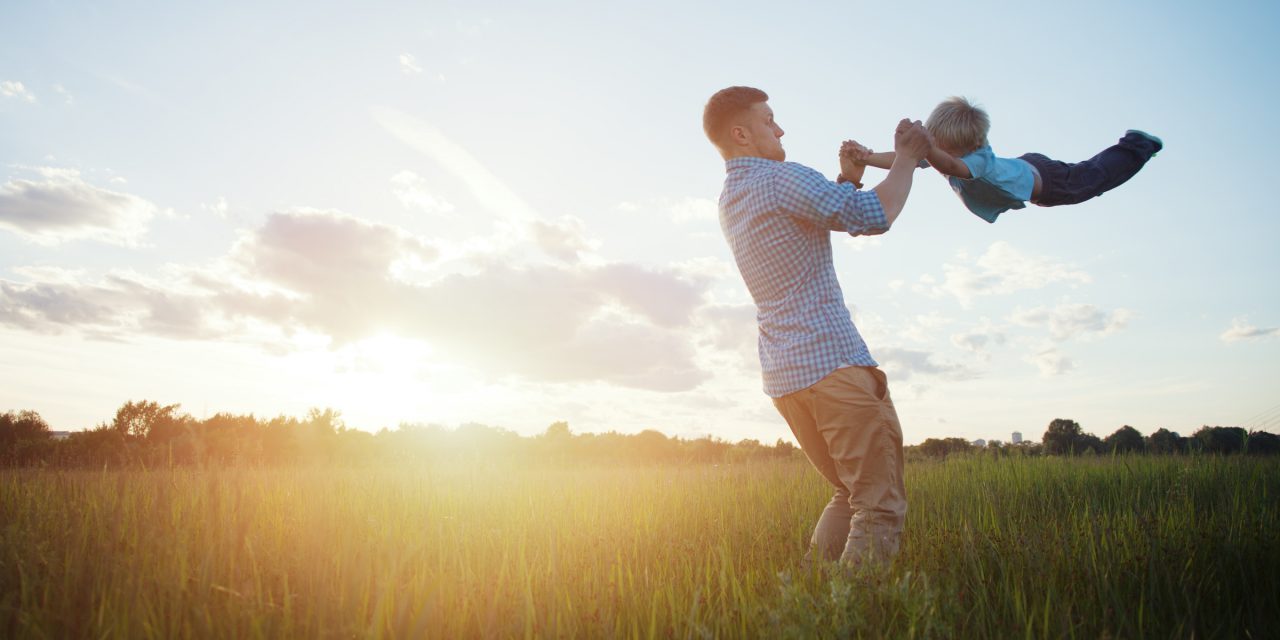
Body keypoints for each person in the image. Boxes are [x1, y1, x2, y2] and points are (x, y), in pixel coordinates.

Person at [702, 86, 930, 568]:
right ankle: (852, 616)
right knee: (877, 504)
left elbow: (813, 220)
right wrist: (907, 157)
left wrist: (847, 179)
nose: (780, 129)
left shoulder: (734, 196)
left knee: (848, 494)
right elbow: (874, 216)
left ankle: (807, 599)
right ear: (741, 133)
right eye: (769, 121)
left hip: (787, 377)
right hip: (834, 365)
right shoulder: (781, 179)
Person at [842, 96, 1163, 223]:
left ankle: (1137, 146)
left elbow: (954, 167)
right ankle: (1135, 146)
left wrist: (924, 148)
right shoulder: (941, 152)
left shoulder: (975, 159)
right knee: (1089, 178)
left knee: (1092, 179)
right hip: (1026, 168)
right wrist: (867, 158)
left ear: (967, 146)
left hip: (1047, 182)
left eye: (940, 149)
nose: (934, 154)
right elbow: (904, 161)